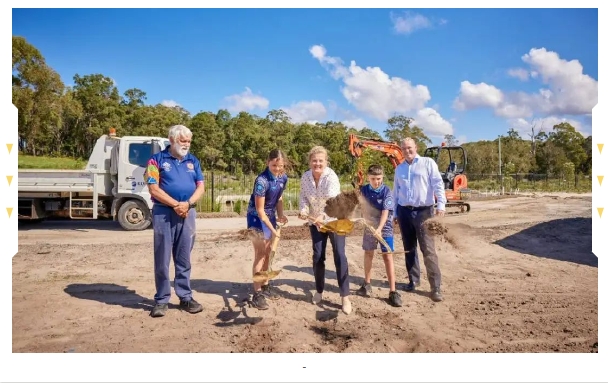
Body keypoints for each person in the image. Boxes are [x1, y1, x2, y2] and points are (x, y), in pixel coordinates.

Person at [144, 124, 206, 318]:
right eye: (182, 140)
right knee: (162, 259)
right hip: (164, 213)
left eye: (188, 141)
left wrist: (187, 204)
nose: (186, 144)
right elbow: (153, 188)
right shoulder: (156, 160)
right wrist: (175, 205)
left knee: (184, 258)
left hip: (187, 214)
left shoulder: (193, 161)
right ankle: (162, 300)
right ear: (171, 139)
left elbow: (201, 187)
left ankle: (185, 296)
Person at [298, 146, 352, 315]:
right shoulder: (305, 177)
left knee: (339, 255)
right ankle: (319, 290)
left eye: (321, 160)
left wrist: (322, 216)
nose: (317, 163)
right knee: (318, 256)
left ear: (326, 162)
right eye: (314, 160)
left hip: (334, 221)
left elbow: (333, 202)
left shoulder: (331, 177)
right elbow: (303, 197)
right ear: (310, 162)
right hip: (316, 224)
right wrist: (303, 210)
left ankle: (345, 296)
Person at [393, 137, 446, 302]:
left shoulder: (428, 163)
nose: (407, 150)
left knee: (428, 250)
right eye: (404, 148)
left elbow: (438, 184)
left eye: (409, 147)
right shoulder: (399, 169)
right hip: (404, 212)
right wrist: (395, 213)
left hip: (424, 212)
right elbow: (396, 191)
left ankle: (435, 287)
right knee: (409, 249)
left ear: (416, 147)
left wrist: (441, 205)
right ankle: (413, 281)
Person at [245, 149, 289, 310]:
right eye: (274, 165)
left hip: (269, 216)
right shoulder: (261, 181)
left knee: (269, 252)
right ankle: (257, 293)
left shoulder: (283, 177)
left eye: (280, 165)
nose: (277, 168)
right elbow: (260, 211)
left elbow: (279, 197)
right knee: (260, 254)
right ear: (268, 162)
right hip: (256, 218)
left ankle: (265, 284)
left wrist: (281, 214)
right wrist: (274, 229)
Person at [356, 164, 403, 307]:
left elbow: (385, 212)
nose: (376, 182)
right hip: (369, 226)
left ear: (382, 177)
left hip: (385, 227)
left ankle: (393, 291)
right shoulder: (363, 190)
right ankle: (367, 284)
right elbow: (361, 206)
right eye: (373, 179)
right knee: (368, 253)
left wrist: (380, 229)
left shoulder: (387, 191)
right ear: (368, 178)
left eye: (379, 178)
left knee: (387, 256)